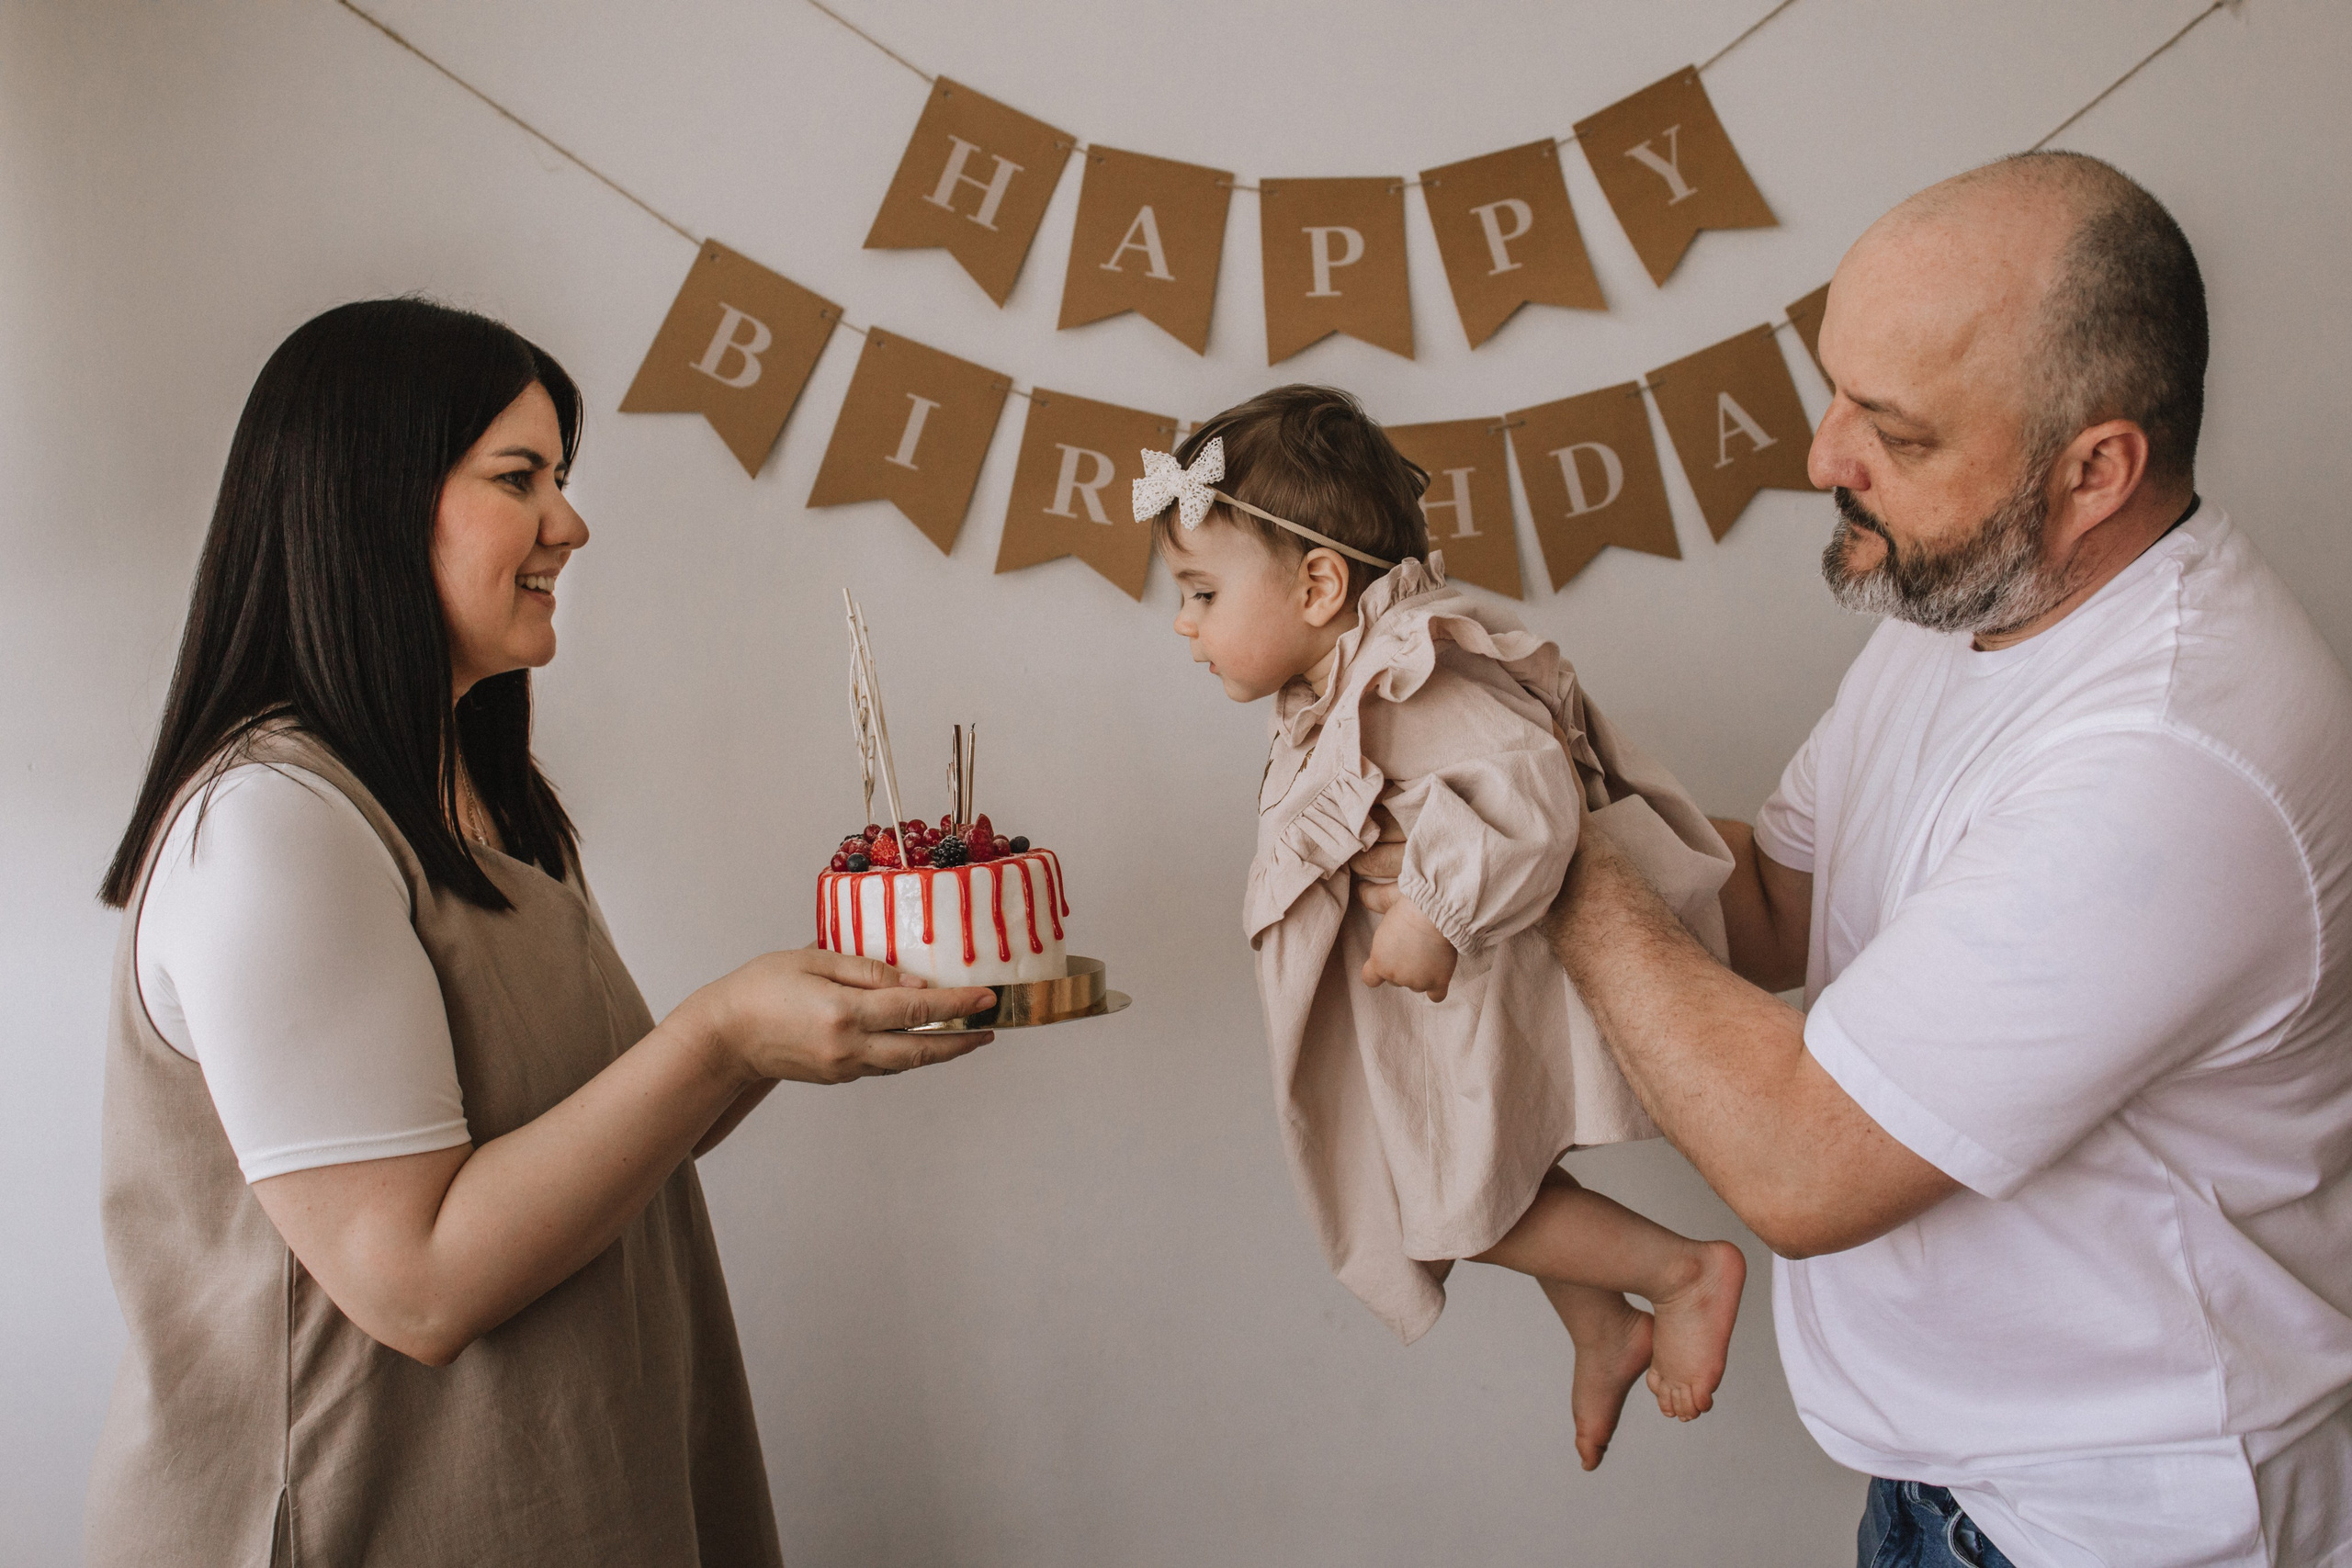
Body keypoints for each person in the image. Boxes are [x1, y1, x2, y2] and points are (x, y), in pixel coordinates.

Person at [1362, 152, 2352, 1564]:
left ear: (2094, 470)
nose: (1824, 456)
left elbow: (1801, 1165)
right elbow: (1770, 903)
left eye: (1895, 428)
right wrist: (1521, 754)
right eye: (1832, 389)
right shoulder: (1968, 605)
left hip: (2120, 1527)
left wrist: (1532, 845)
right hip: (1946, 1488)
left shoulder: (2171, 760)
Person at [85, 298, 997, 1565]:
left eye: (558, 479)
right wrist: (723, 1032)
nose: (570, 523)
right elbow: (419, 1281)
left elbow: (593, 1130)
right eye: (521, 477)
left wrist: (800, 1017)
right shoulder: (271, 827)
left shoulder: (480, 802)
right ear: (373, 502)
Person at [1150, 387, 1748, 1472]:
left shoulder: (1412, 670)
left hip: (1483, 981)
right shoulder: (1344, 674)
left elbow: (1529, 789)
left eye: (1199, 591)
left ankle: (1680, 1272)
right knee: (1486, 1171)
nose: (1183, 623)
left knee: (1447, 1196)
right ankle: (1601, 1323)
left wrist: (1436, 908)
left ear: (1321, 584)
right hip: (1445, 1003)